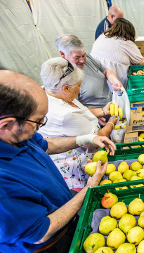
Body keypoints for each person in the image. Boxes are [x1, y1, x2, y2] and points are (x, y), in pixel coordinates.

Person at [0, 70, 115, 252]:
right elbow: (41, 233)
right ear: (6, 125)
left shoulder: (16, 137)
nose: (41, 126)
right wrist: (88, 189)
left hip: (66, 209)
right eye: (38, 121)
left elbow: (46, 144)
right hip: (52, 243)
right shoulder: (3, 183)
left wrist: (86, 139)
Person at [38, 57, 117, 192]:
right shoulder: (65, 114)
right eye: (79, 85)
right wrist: (111, 122)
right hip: (79, 168)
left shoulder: (50, 92)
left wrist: (101, 111)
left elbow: (79, 109)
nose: (80, 89)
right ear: (66, 88)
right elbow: (94, 140)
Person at [56, 35, 122, 111]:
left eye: (83, 55)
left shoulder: (87, 58)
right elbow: (75, 108)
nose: (82, 60)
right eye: (77, 57)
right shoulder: (64, 78)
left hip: (110, 108)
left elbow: (106, 71)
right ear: (63, 54)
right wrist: (101, 113)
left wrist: (115, 81)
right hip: (94, 117)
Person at [91, 18, 144, 88]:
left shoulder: (102, 37)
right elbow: (141, 62)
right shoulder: (125, 42)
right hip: (116, 83)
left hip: (96, 80)